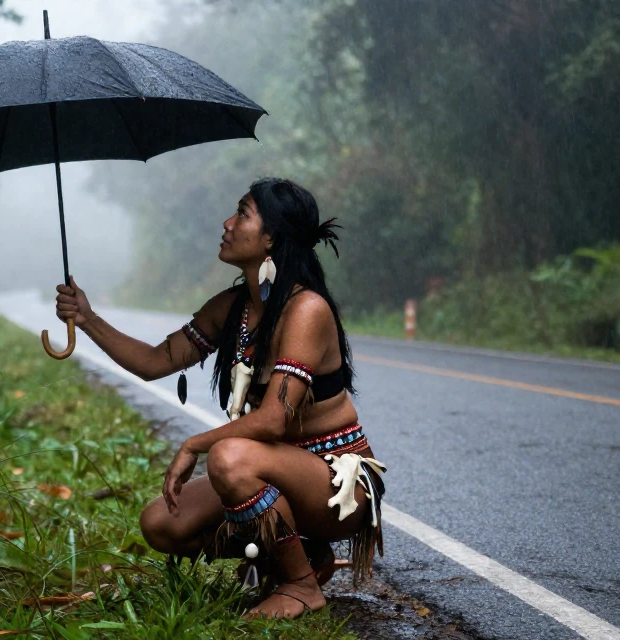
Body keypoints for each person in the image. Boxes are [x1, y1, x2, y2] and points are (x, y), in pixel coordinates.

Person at [53, 178, 385, 619]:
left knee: (229, 458)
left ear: (271, 237)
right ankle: (298, 554)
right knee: (161, 524)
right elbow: (155, 361)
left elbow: (271, 423)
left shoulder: (307, 310)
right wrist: (88, 319)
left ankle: (301, 585)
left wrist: (193, 445)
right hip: (274, 472)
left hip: (335, 487)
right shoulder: (232, 307)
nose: (227, 224)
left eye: (242, 214)